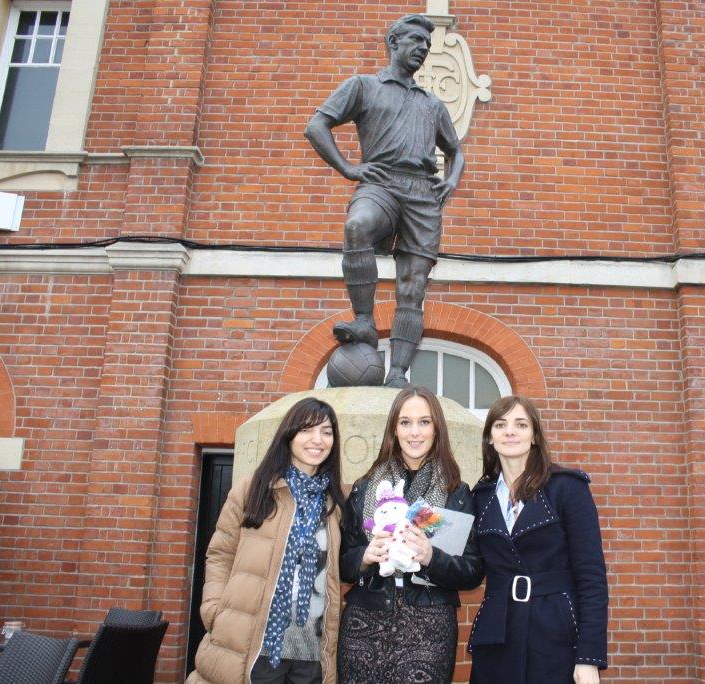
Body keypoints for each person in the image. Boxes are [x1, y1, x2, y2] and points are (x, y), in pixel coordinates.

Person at [304, 14, 465, 387]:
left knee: (413, 285)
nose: (423, 49)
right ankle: (364, 319)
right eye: (416, 41)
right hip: (381, 182)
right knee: (357, 226)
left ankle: (397, 373)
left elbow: (455, 151)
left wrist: (451, 181)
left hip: (422, 193)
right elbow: (316, 126)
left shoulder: (432, 103)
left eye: (427, 45)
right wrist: (348, 167)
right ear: (393, 42)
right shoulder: (363, 86)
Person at [188, 398, 346, 684]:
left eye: (326, 432)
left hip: (310, 645)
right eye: (307, 430)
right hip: (255, 640)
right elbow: (220, 554)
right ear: (289, 435)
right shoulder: (254, 488)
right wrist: (213, 608)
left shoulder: (335, 501)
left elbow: (341, 569)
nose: (318, 440)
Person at [337, 385, 484, 683]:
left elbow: (471, 572)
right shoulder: (365, 487)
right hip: (365, 620)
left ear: (436, 429)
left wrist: (431, 556)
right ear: (394, 429)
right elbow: (340, 564)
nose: (414, 432)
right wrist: (364, 557)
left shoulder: (456, 493)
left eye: (424, 422)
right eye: (405, 422)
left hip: (430, 626)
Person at [467, 396, 608, 684]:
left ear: (534, 436)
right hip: (496, 637)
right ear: (490, 437)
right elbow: (470, 567)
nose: (510, 431)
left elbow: (591, 579)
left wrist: (588, 657)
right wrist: (428, 552)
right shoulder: (480, 497)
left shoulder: (568, 488)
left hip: (555, 633)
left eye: (521, 424)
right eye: (500, 425)